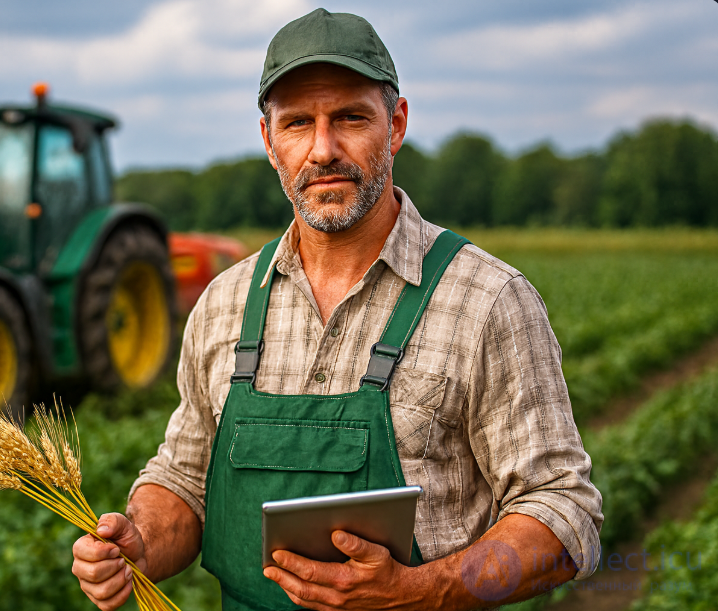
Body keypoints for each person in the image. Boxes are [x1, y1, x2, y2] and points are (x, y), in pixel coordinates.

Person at [72, 8, 603, 610]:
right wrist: (139, 542)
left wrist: (419, 592)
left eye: (350, 117)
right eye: (298, 123)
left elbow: (563, 511)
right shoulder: (224, 305)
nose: (323, 150)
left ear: (395, 125)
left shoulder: (487, 301)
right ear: (270, 141)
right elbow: (186, 481)